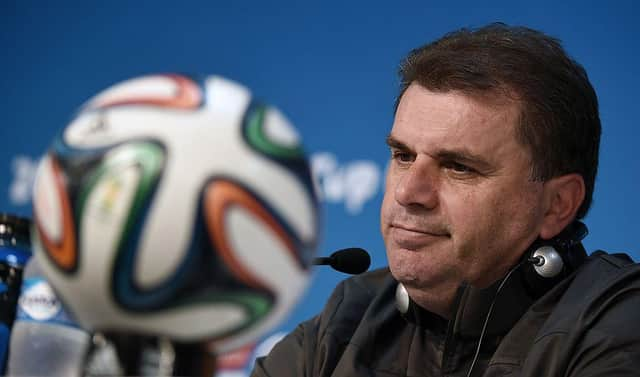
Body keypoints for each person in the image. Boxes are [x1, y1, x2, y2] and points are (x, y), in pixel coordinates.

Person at [251, 22, 640, 377]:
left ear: (557, 204)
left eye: (458, 167)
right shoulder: (348, 319)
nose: (408, 193)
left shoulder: (617, 326)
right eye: (403, 156)